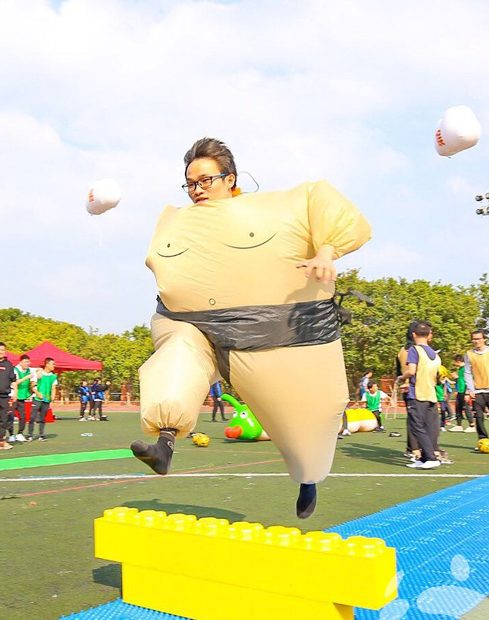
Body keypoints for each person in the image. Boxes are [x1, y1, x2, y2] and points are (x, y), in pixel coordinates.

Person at [131, 136, 371, 519]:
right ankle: (165, 442)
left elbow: (323, 204)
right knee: (178, 353)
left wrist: (327, 251)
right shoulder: (179, 222)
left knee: (306, 424)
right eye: (190, 183)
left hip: (278, 332)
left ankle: (308, 478)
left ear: (230, 179)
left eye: (205, 180)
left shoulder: (271, 211)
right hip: (195, 325)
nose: (197, 190)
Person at [401, 321, 442, 469]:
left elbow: (411, 371)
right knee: (429, 427)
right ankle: (425, 458)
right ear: (429, 335)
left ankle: (430, 457)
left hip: (417, 394)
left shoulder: (415, 350)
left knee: (416, 426)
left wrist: (401, 377)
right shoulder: (435, 355)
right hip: (431, 394)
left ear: (414, 335)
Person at [30, 358, 58, 442]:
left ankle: (41, 435)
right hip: (37, 398)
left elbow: (53, 388)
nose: (54, 366)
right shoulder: (39, 374)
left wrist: (52, 400)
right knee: (32, 417)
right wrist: (38, 393)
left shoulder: (53, 377)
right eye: (52, 364)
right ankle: (30, 435)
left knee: (42, 418)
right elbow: (32, 386)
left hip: (46, 399)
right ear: (47, 364)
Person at [449, 354, 475, 432]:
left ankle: (472, 425)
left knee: (466, 408)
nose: (454, 363)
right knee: (458, 408)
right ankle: (459, 425)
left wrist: (467, 393)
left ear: (458, 361)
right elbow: (460, 380)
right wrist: (456, 378)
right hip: (460, 391)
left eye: (454, 361)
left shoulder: (466, 369)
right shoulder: (460, 369)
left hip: (464, 391)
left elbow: (468, 381)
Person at [13, 354, 34, 442]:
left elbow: (38, 370)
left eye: (28, 362)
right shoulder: (15, 370)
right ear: (20, 362)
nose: (27, 364)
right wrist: (26, 377)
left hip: (22, 397)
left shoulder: (29, 370)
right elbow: (15, 383)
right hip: (13, 396)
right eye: (25, 362)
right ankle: (10, 435)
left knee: (23, 416)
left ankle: (19, 433)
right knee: (9, 417)